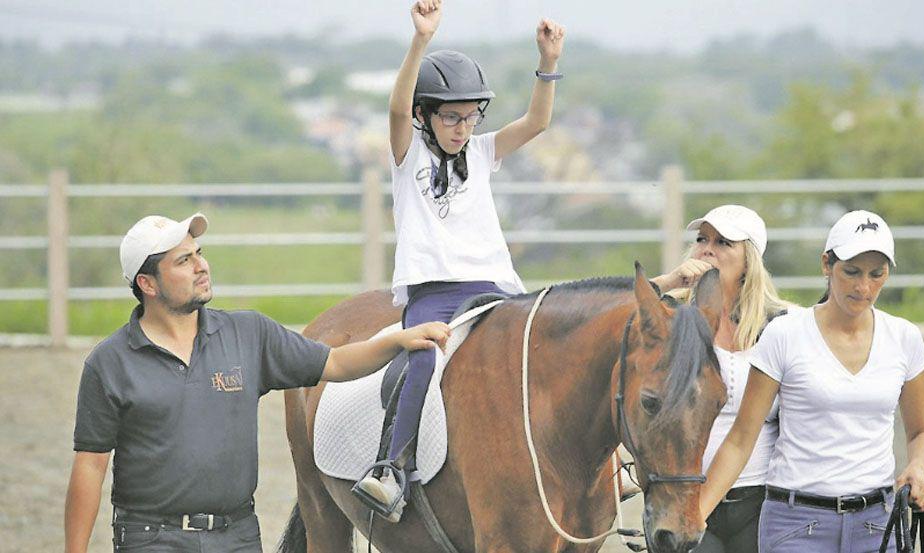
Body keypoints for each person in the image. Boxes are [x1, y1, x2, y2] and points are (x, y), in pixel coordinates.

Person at [63, 213, 451, 553]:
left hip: (238, 536)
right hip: (150, 540)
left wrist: (396, 341)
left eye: (199, 253)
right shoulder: (109, 363)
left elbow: (334, 363)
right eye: (184, 260)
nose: (201, 266)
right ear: (148, 284)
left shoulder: (249, 334)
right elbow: (90, 468)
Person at [354, 0, 566, 521]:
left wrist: (548, 60)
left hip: (495, 286)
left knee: (548, 350)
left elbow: (538, 121)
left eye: (470, 117)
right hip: (434, 291)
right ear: (427, 115)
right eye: (451, 117)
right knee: (423, 357)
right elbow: (395, 111)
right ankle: (392, 467)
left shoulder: (483, 151)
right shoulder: (408, 155)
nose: (462, 128)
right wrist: (420, 40)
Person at [700, 210, 924, 552]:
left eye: (876, 274)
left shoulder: (904, 338)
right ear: (827, 264)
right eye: (851, 272)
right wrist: (698, 514)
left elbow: (920, 433)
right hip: (796, 525)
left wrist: (918, 466)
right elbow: (741, 439)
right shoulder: (785, 335)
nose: (863, 287)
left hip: (875, 524)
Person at [651, 204, 790, 553]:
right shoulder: (670, 317)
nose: (707, 249)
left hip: (761, 497)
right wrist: (668, 282)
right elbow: (613, 313)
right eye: (702, 239)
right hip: (684, 497)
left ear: (750, 260)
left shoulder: (783, 324)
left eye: (724, 242)